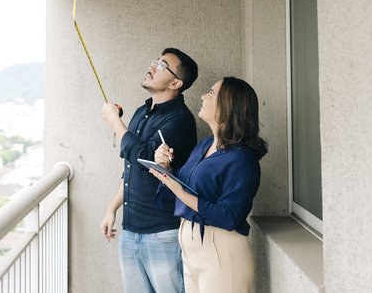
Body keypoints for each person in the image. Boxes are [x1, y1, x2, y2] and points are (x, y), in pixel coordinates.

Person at [150, 76, 267, 293]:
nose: (203, 96)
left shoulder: (242, 160)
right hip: (191, 251)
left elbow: (229, 215)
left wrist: (178, 190)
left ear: (227, 107)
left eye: (211, 93)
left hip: (220, 253)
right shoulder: (204, 145)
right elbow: (172, 197)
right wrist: (164, 169)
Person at [100, 48, 199, 293]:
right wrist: (112, 209)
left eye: (162, 65)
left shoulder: (180, 119)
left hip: (163, 232)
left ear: (176, 82)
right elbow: (131, 168)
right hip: (130, 229)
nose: (153, 66)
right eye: (156, 60)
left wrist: (115, 122)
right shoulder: (141, 112)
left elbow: (146, 160)